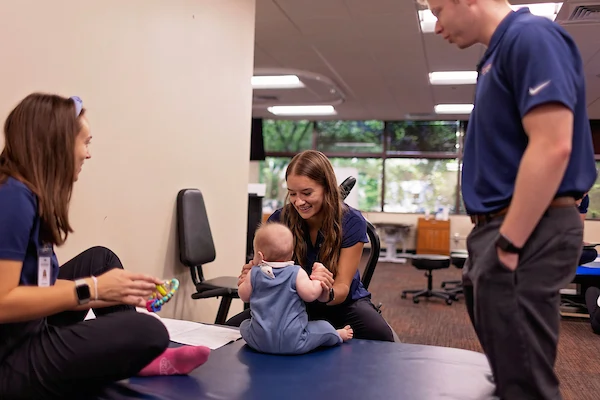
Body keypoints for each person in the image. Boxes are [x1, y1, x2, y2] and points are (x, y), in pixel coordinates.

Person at [420, 1, 597, 399]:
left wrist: (510, 244)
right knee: (509, 371)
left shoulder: (530, 36)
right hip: (502, 228)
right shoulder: (494, 56)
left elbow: (553, 146)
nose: (436, 25)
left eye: (438, 9)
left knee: (524, 385)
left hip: (526, 229)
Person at [0, 93, 210, 400]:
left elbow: (36, 285)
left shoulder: (23, 194)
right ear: (56, 145)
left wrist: (115, 289)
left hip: (27, 330)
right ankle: (137, 351)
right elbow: (3, 302)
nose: (88, 155)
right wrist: (92, 290)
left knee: (101, 259)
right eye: (85, 142)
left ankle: (138, 355)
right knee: (148, 331)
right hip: (10, 359)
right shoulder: (13, 198)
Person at [227, 150, 395, 342]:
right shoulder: (280, 220)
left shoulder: (352, 221)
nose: (299, 202)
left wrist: (325, 292)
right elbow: (265, 271)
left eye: (307, 193)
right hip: (290, 301)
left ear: (327, 188)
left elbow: (341, 287)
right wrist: (253, 275)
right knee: (231, 329)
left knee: (380, 335)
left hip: (342, 304)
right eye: (292, 194)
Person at [239, 222, 353, 354]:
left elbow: (244, 296)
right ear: (292, 253)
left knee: (244, 325)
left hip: (259, 340)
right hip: (294, 341)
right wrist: (316, 279)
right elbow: (310, 295)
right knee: (324, 327)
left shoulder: (254, 273)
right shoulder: (296, 272)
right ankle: (338, 335)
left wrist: (244, 280)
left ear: (260, 255)